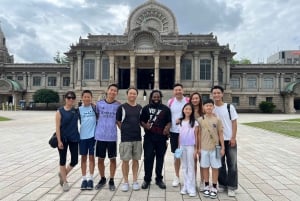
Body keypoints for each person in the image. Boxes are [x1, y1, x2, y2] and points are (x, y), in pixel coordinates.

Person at [140, 90, 171, 189]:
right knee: (148, 159)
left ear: (161, 97)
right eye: (154, 97)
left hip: (161, 138)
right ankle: (147, 179)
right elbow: (141, 121)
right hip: (149, 138)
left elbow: (169, 121)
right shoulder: (145, 108)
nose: (156, 99)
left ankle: (159, 179)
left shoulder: (166, 109)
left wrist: (167, 127)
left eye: (158, 97)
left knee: (160, 159)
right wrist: (145, 125)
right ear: (151, 97)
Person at [211, 85, 238, 197]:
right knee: (220, 163)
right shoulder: (211, 108)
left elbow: (234, 123)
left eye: (218, 93)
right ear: (212, 95)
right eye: (214, 93)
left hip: (229, 140)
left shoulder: (229, 107)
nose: (216, 95)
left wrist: (233, 137)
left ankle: (232, 187)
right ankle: (222, 184)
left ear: (222, 94)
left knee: (232, 164)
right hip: (217, 141)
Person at [94, 84, 120, 191]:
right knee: (100, 159)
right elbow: (95, 117)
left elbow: (119, 121)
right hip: (100, 136)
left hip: (112, 137)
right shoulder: (99, 104)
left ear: (117, 93)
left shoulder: (118, 106)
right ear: (107, 91)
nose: (112, 92)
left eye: (115, 91)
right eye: (111, 90)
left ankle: (112, 180)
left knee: (112, 159)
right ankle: (102, 178)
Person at [116, 87, 143, 192]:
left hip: (137, 137)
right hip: (125, 138)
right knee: (125, 160)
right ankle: (126, 181)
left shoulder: (139, 107)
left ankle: (135, 180)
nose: (132, 95)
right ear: (127, 94)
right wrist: (123, 129)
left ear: (137, 95)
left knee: (136, 160)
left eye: (134, 93)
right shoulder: (122, 107)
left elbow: (141, 121)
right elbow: (118, 121)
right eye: (130, 93)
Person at [198, 98, 225, 199]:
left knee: (215, 167)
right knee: (204, 167)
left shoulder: (217, 120)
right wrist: (199, 148)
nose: (208, 107)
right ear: (203, 108)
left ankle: (214, 186)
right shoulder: (200, 120)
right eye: (206, 105)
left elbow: (221, 134)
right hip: (204, 148)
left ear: (213, 107)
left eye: (210, 105)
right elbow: (199, 135)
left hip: (215, 148)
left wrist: (223, 148)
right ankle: (206, 185)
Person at [55, 91, 80, 192]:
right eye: (69, 98)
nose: (71, 99)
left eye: (73, 98)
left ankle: (62, 173)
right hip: (63, 139)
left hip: (74, 138)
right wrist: (59, 140)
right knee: (62, 160)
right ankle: (65, 181)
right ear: (65, 98)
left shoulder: (76, 111)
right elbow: (57, 128)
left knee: (74, 160)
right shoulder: (59, 111)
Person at [168, 83, 189, 187]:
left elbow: (192, 115)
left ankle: (187, 177)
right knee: (177, 156)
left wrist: (181, 120)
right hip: (174, 133)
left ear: (183, 90)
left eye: (180, 90)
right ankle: (176, 177)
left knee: (188, 155)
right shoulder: (170, 102)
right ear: (173, 92)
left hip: (187, 133)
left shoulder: (188, 101)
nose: (178, 92)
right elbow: (168, 117)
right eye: (176, 90)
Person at [178, 103, 198, 197]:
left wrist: (196, 149)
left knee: (191, 166)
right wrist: (179, 148)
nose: (188, 111)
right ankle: (185, 186)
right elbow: (180, 135)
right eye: (186, 109)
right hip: (182, 146)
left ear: (192, 111)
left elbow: (197, 136)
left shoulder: (194, 122)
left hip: (191, 146)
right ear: (183, 110)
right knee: (184, 167)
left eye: (190, 109)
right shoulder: (181, 121)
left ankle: (192, 187)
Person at [78, 90, 97, 190]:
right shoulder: (79, 110)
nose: (86, 98)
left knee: (91, 157)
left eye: (88, 97)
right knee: (83, 158)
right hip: (82, 137)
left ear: (91, 98)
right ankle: (84, 178)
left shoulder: (94, 108)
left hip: (92, 137)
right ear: (82, 98)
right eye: (85, 97)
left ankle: (91, 178)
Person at [189, 92, 205, 191]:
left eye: (197, 98)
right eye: (193, 98)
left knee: (202, 161)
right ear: (190, 100)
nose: (195, 100)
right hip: (191, 139)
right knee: (193, 161)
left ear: (199, 99)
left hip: (203, 139)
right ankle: (193, 181)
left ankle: (203, 181)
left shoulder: (203, 111)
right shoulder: (188, 110)